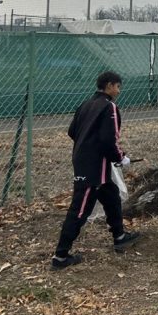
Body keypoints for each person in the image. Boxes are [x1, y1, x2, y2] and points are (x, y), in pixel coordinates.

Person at [51, 71, 140, 270]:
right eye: (117, 86)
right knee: (80, 209)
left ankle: (119, 236)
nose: (119, 91)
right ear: (109, 85)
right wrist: (120, 157)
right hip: (93, 168)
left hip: (84, 161)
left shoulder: (86, 105)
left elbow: (72, 131)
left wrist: (86, 144)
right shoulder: (109, 107)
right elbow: (109, 139)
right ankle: (60, 256)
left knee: (111, 195)